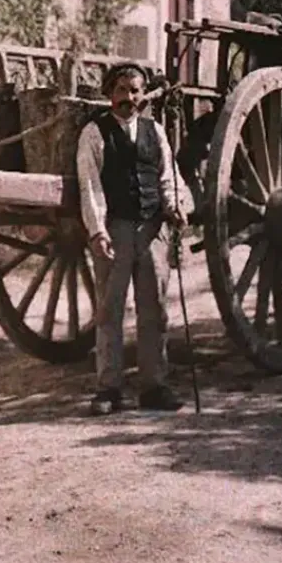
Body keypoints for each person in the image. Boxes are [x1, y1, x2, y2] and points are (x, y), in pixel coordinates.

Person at [75, 62, 193, 415]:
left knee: (154, 310)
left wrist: (174, 207)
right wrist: (97, 230)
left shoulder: (154, 131)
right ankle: (108, 390)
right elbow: (90, 185)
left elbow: (167, 173)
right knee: (110, 311)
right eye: (122, 90)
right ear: (110, 93)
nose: (129, 97)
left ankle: (154, 387)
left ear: (144, 95)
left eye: (136, 91)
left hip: (153, 230)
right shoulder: (95, 133)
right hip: (117, 229)